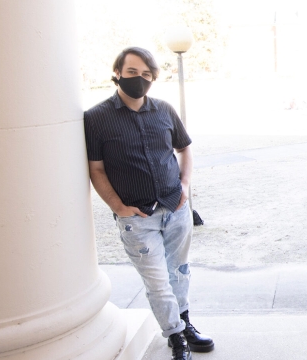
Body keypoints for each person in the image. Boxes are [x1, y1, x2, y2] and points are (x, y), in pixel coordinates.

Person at [84, 47, 213, 360]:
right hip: (137, 218)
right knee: (157, 282)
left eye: (146, 74)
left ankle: (183, 323)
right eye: (132, 72)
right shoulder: (96, 118)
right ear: (117, 74)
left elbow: (185, 150)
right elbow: (96, 169)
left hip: (175, 210)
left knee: (179, 273)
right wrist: (118, 208)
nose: (139, 79)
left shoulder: (165, 110)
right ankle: (175, 338)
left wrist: (183, 186)